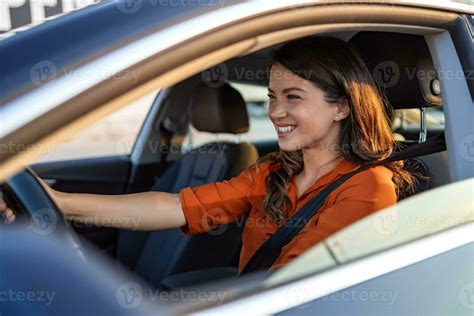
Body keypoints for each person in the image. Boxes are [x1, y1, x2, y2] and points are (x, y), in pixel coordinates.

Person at [0, 36, 415, 273]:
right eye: (271, 97)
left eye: (293, 97)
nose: (275, 112)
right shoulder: (274, 171)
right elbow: (175, 207)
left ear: (341, 107)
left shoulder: (369, 187)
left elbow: (294, 287)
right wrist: (59, 203)